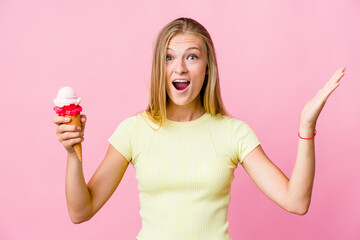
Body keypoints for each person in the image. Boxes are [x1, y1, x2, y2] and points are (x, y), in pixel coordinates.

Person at [53, 17, 346, 239]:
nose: (179, 67)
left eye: (191, 56)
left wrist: (307, 126)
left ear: (207, 67)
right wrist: (72, 153)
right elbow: (81, 212)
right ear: (160, 68)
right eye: (169, 57)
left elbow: (296, 201)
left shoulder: (234, 133)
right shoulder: (133, 131)